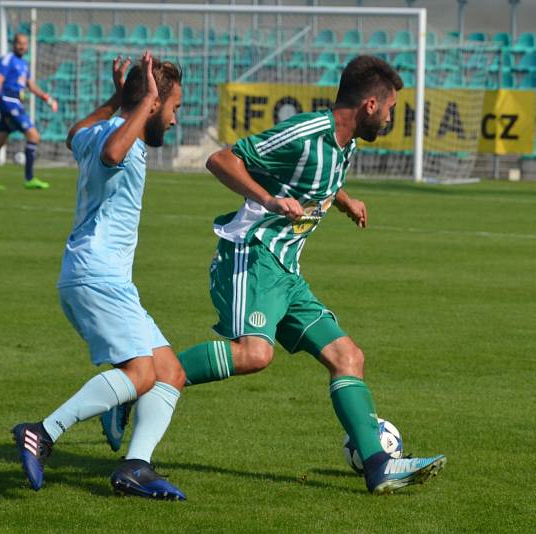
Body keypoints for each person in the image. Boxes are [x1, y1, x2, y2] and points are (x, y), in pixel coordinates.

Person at [101, 54, 446, 496]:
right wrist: (267, 199)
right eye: (391, 107)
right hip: (252, 253)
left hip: (286, 271)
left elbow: (317, 178)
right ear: (370, 106)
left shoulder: (346, 143)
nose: (392, 117)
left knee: (348, 357)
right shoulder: (306, 132)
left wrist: (344, 201)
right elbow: (221, 159)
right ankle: (138, 385)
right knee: (254, 355)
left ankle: (378, 466)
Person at [12, 52, 188, 500]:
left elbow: (75, 134)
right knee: (140, 371)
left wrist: (116, 98)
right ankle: (43, 432)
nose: (173, 119)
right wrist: (146, 97)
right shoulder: (121, 143)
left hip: (94, 276)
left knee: (169, 371)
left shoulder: (98, 132)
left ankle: (135, 466)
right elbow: (113, 154)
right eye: (173, 108)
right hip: (99, 277)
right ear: (151, 104)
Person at [0, 33, 58, 191]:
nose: (22, 46)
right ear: (13, 44)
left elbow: (31, 85)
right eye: (19, 43)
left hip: (15, 102)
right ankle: (29, 178)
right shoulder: (7, 59)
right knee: (34, 136)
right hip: (9, 102)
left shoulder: (24, 63)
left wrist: (47, 98)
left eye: (25, 43)